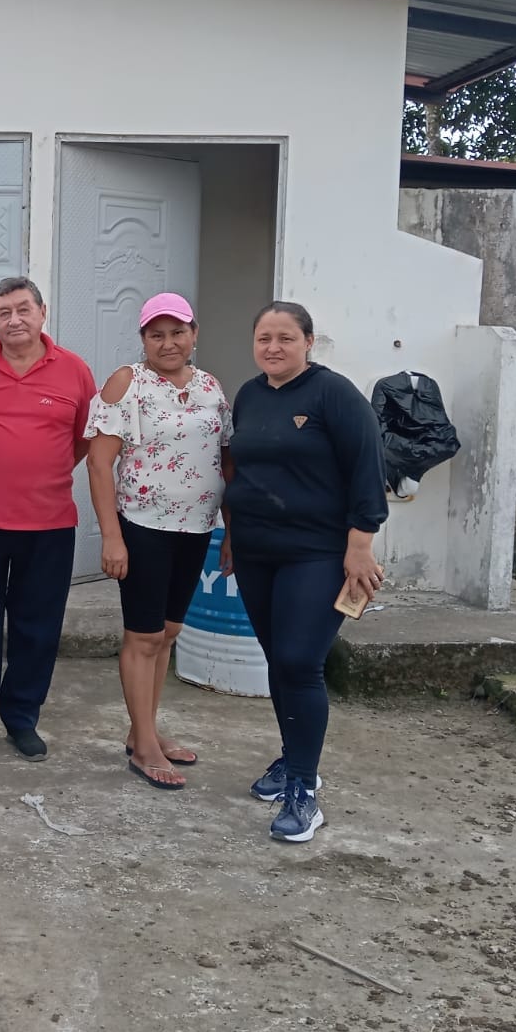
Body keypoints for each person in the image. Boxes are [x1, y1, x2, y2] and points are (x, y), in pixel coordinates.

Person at [226, 300, 387, 842]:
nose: (273, 347)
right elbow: (244, 470)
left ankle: (303, 791)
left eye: (286, 338)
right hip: (256, 551)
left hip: (316, 553)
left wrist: (360, 546)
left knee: (299, 661)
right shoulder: (249, 395)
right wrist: (233, 536)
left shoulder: (333, 394)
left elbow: (368, 468)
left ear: (308, 342)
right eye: (264, 338)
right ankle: (296, 758)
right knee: (279, 659)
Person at [0, 277, 97, 761]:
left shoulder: (74, 371)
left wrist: (39, 469)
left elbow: (84, 438)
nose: (14, 320)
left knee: (38, 627)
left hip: (49, 524)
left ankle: (21, 717)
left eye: (23, 309)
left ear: (42, 312)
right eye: (3, 312)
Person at [85, 292, 231, 792]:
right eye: (157, 334)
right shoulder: (128, 382)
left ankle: (143, 728)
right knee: (143, 636)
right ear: (143, 339)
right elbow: (98, 462)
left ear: (194, 334)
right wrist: (111, 537)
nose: (168, 343)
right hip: (143, 527)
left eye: (177, 332)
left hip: (196, 528)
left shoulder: (210, 387)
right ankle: (144, 747)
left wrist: (230, 530)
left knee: (168, 632)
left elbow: (225, 460)